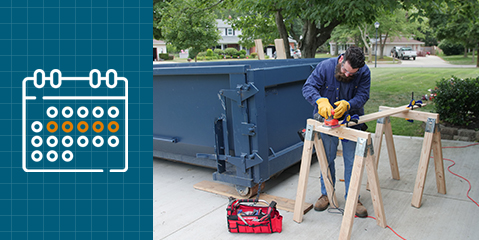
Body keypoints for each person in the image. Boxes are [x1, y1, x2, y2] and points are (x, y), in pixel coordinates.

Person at [302, 46, 370, 218]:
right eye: (346, 70)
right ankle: (326, 194)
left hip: (351, 121)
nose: (348, 75)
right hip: (327, 122)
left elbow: (363, 95)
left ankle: (353, 198)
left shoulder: (363, 72)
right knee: (327, 158)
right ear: (341, 60)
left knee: (352, 160)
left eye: (352, 73)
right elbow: (308, 87)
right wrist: (319, 100)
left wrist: (349, 104)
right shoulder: (325, 66)